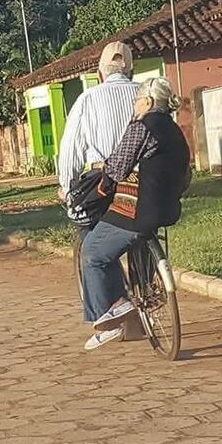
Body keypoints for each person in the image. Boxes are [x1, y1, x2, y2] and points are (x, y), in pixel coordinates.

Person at [81, 77, 191, 351]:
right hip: (168, 210)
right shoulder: (175, 131)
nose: (134, 105)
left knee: (92, 252)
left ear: (148, 102)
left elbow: (117, 168)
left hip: (137, 211)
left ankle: (111, 313)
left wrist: (103, 176)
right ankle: (137, 293)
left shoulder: (142, 126)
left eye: (137, 100)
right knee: (119, 245)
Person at [58, 41, 139, 199]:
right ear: (132, 72)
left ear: (99, 74)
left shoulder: (87, 99)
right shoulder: (147, 96)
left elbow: (71, 150)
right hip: (143, 186)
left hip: (101, 186)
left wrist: (68, 189)